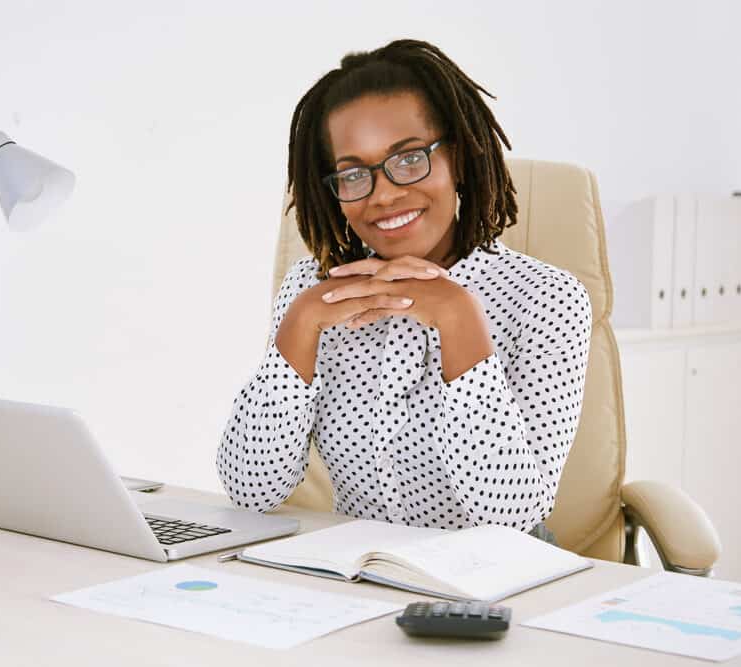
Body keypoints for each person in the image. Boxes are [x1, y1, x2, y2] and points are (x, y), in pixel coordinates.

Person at [217, 39, 592, 542]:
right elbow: (250, 489)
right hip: (360, 569)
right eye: (352, 174)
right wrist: (300, 326)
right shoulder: (311, 290)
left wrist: (459, 319)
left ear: (456, 157)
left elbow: (513, 514)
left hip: (493, 584)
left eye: (410, 159)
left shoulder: (548, 298)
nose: (385, 194)